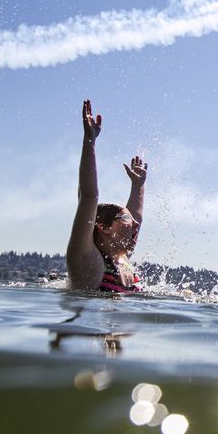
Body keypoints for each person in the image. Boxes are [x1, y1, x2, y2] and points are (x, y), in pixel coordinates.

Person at [66, 99, 148, 293]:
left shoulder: (122, 257)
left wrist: (138, 186)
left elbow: (137, 215)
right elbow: (88, 197)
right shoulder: (87, 260)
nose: (135, 225)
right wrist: (90, 141)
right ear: (104, 228)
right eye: (127, 220)